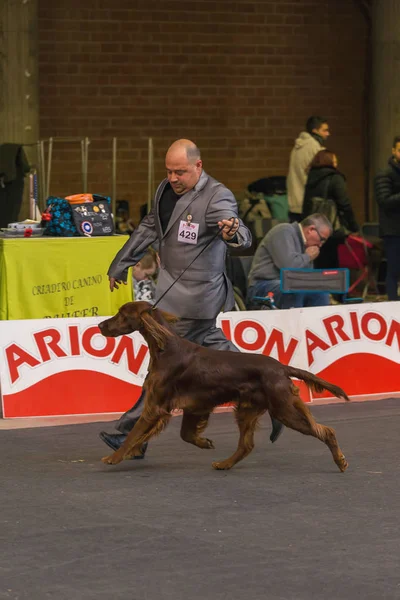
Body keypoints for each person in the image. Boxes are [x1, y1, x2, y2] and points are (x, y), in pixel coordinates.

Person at [100, 139, 284, 455]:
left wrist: (232, 232)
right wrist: (121, 264)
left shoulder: (217, 196)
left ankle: (129, 435)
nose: (173, 178)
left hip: (198, 298)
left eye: (180, 172)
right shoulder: (164, 190)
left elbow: (240, 234)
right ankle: (275, 393)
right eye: (169, 171)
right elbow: (148, 228)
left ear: (198, 166)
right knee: (226, 355)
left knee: (161, 373)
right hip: (171, 297)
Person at [246, 214, 333, 309]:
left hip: (287, 285)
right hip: (262, 285)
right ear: (311, 230)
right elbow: (288, 268)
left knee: (320, 291)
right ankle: (294, 323)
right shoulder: (283, 231)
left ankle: (314, 322)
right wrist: (308, 257)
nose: (320, 245)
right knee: (296, 288)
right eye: (322, 239)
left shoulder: (307, 244)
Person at [302, 150, 359, 268]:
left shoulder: (311, 178)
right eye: (335, 161)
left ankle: (318, 285)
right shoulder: (335, 178)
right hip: (330, 228)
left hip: (313, 228)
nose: (336, 164)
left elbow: (306, 204)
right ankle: (331, 285)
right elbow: (344, 204)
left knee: (317, 261)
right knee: (332, 262)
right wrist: (353, 226)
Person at [287, 116, 330, 222]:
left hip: (295, 201)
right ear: (315, 131)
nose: (328, 134)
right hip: (309, 204)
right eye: (324, 130)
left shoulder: (297, 147)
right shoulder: (314, 147)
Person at [374, 135, 400, 301]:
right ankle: (392, 304)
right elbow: (384, 200)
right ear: (393, 151)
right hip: (393, 230)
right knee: (394, 269)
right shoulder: (385, 174)